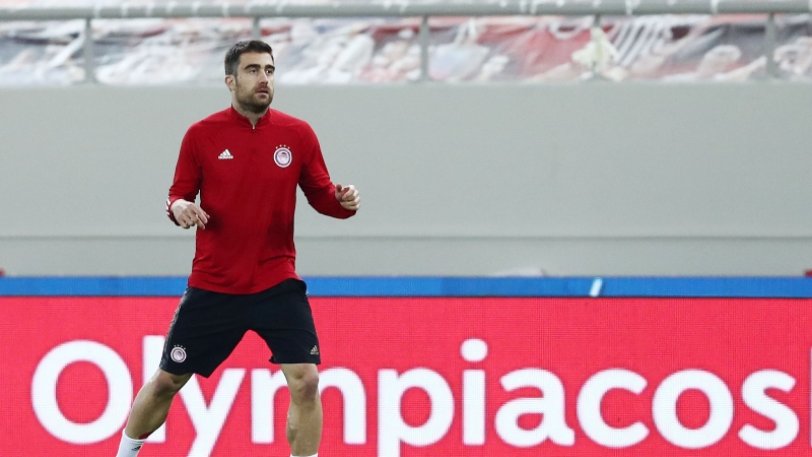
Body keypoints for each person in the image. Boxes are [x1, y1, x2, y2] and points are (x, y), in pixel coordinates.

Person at [115, 39, 360, 457]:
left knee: (307, 380)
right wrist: (180, 207)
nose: (263, 79)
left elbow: (323, 197)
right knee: (167, 381)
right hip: (215, 284)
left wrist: (343, 202)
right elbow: (177, 195)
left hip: (276, 281)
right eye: (252, 70)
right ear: (230, 81)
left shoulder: (297, 134)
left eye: (269, 70)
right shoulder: (201, 135)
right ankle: (125, 452)